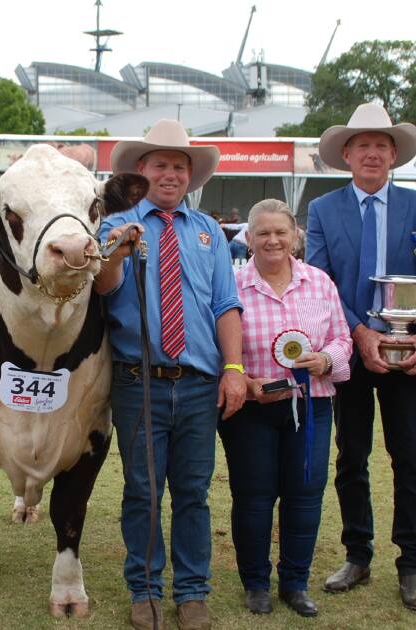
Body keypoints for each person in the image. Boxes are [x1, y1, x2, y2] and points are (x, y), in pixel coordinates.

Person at [96, 119, 246, 630]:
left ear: (190, 176)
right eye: (160, 164)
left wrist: (234, 368)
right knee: (142, 489)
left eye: (179, 166)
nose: (171, 174)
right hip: (139, 381)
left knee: (193, 492)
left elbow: (227, 304)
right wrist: (117, 246)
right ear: (140, 172)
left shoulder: (208, 231)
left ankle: (192, 591)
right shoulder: (112, 225)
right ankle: (143, 589)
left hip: (201, 383)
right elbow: (101, 288)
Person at [304, 102, 416, 611]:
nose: (372, 153)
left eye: (381, 145)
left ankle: (412, 563)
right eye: (362, 145)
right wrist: (360, 333)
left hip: (408, 354)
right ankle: (357, 554)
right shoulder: (323, 210)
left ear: (394, 155)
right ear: (347, 154)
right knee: (351, 457)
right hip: (350, 352)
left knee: (410, 458)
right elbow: (321, 285)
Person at [220, 199, 352, 618]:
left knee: (305, 496)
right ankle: (256, 583)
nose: (273, 240)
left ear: (296, 236)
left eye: (281, 232)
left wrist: (326, 359)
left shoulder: (320, 282)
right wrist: (243, 378)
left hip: (310, 404)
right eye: (263, 233)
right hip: (253, 408)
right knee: (254, 498)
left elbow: (342, 338)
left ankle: (295, 583)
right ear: (249, 238)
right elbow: (217, 342)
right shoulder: (232, 286)